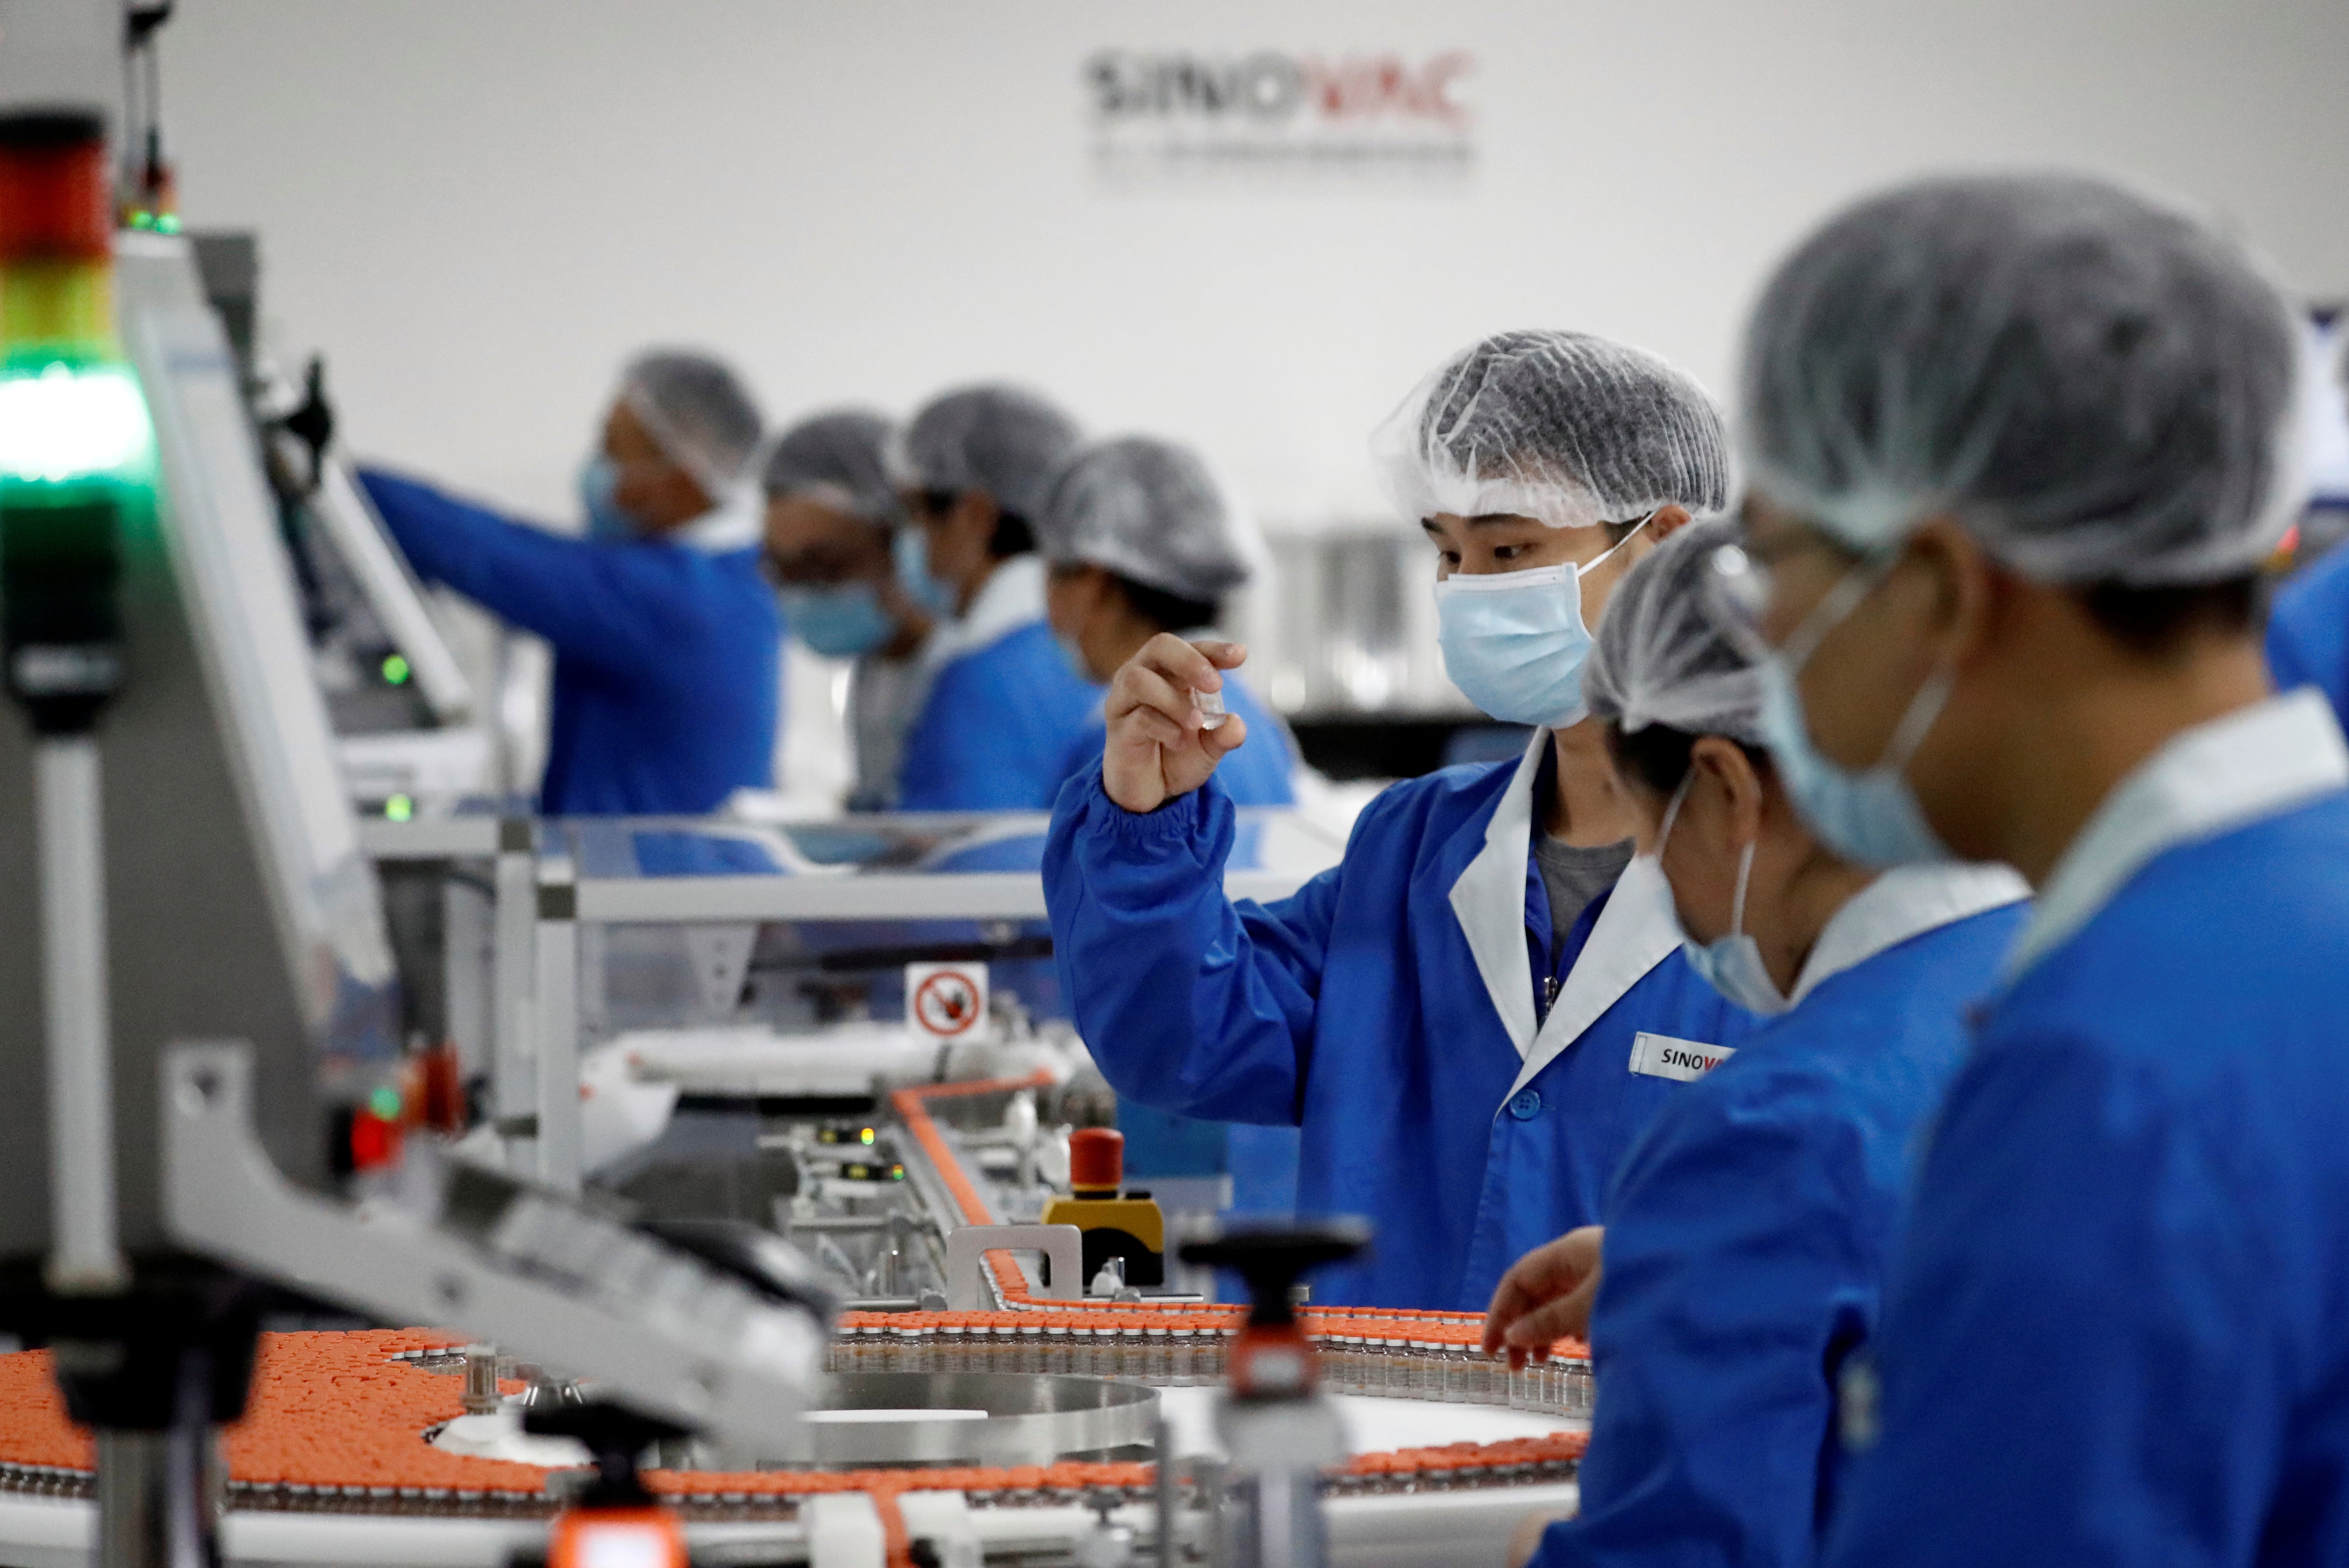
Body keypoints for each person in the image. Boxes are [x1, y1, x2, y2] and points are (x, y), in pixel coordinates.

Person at [1713, 174, 2348, 1567]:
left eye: (1771, 557)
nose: (1758, 628)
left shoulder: (2116, 1066)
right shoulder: (2291, 918)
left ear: (1937, 586)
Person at [1045, 330, 1756, 1308]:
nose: (1467, 591)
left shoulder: (1788, 876)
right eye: (1447, 553)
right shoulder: (1415, 849)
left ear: (1665, 546)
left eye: (1509, 550)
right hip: (1391, 1440)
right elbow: (1184, 1039)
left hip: (1650, 1441)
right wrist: (1145, 816)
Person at [1483, 518, 2027, 1568]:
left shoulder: (1768, 1131)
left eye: (1649, 838)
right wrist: (1706, 1270)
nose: (1657, 879)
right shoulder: (2078, 987)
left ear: (1726, 791)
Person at [1038, 434, 1304, 1211]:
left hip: (1191, 1124)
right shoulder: (1236, 716)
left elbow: (1135, 953)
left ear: (1090, 581)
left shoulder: (1141, 749)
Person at [359, 350, 777, 815]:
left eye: (613, 450)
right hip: (637, 868)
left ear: (681, 479)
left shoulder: (681, 600)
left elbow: (486, 553)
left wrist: (324, 473)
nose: (597, 467)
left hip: (656, 880)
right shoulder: (724, 582)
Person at [889, 384, 1100, 811]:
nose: (908, 538)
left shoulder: (982, 680)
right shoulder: (1078, 650)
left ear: (975, 515)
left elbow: (969, 865)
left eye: (915, 513)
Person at [761, 409, 935, 811]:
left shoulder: (962, 678)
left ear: (902, 541)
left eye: (822, 567)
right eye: (781, 569)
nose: (802, 592)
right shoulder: (874, 668)